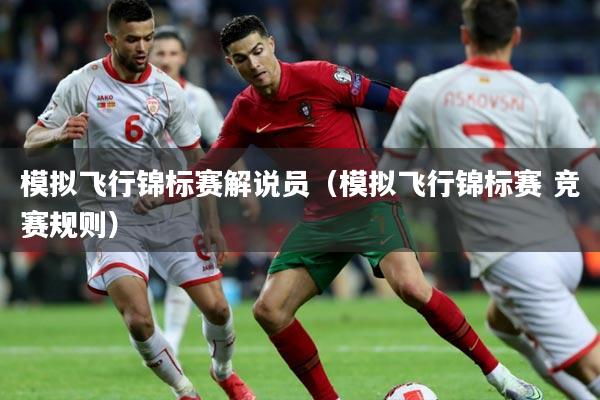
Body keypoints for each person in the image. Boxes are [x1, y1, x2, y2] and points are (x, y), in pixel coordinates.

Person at [135, 14, 543, 400]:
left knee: (413, 289)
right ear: (231, 63)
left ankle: (501, 377)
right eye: (241, 59)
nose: (254, 64)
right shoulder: (245, 111)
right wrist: (162, 193)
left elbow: (398, 100)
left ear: (271, 45)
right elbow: (209, 169)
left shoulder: (321, 76)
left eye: (258, 51)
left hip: (369, 203)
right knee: (270, 310)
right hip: (321, 220)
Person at [23, 1, 255, 399]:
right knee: (139, 320)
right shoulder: (81, 84)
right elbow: (31, 141)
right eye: (132, 39)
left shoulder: (167, 90)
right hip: (110, 217)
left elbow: (198, 160)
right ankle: (185, 391)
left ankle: (224, 372)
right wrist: (59, 134)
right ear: (111, 39)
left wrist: (212, 224)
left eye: (149, 37)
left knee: (218, 308)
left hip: (168, 213)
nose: (143, 47)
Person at [380, 0, 600, 398]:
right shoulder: (544, 97)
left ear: (465, 35)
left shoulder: (430, 92)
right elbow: (593, 178)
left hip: (515, 259)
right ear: (516, 37)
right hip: (562, 247)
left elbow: (388, 179)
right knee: (503, 324)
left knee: (589, 364)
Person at [148, 25, 260, 357]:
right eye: (160, 53)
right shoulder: (131, 96)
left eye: (172, 53)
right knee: (136, 272)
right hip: (134, 195)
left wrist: (245, 188)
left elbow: (226, 144)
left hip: (184, 200)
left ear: (183, 57)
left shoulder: (198, 99)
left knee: (182, 273)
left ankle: (171, 341)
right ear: (148, 56)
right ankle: (151, 334)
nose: (166, 60)